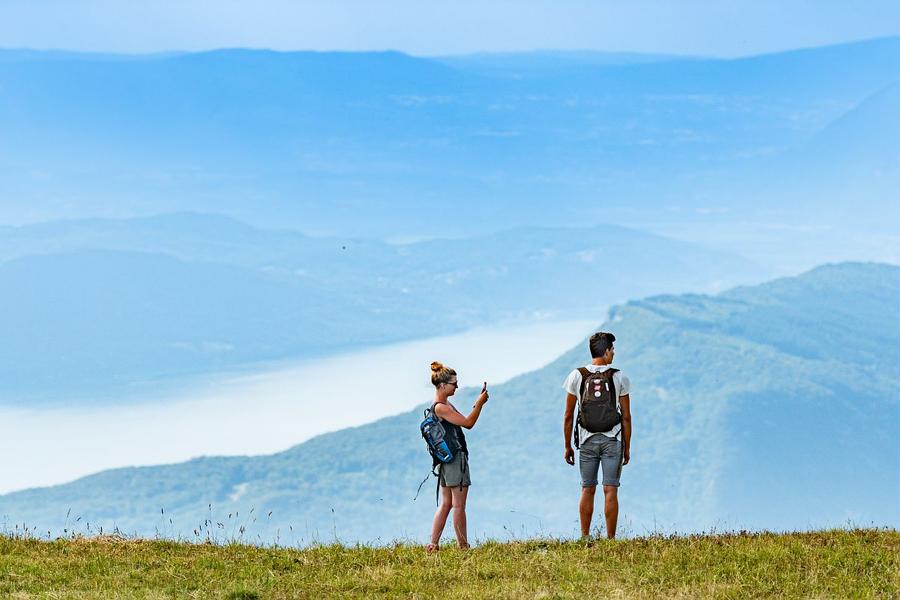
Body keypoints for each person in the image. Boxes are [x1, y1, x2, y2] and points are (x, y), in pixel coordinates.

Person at [562, 332, 632, 539]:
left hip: (586, 439)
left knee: (587, 488)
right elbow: (626, 417)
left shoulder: (577, 375)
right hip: (613, 439)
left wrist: (568, 445)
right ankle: (610, 539)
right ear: (607, 351)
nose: (613, 354)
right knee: (610, 489)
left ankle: (585, 537)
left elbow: (568, 415)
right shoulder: (619, 377)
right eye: (613, 350)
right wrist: (627, 446)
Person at [426, 361, 489, 552]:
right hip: (455, 460)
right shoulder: (442, 408)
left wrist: (477, 404)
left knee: (446, 503)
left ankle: (433, 544)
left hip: (446, 460)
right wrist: (480, 404)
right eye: (454, 383)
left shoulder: (442, 405)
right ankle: (462, 546)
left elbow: (464, 420)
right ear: (443, 385)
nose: (457, 386)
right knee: (458, 505)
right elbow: (469, 423)